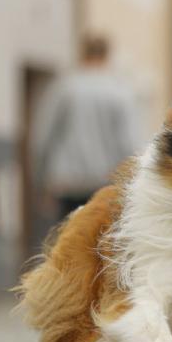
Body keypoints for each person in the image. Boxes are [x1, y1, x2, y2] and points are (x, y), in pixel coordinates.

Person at [32, 35, 139, 221]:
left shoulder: (63, 88)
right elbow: (129, 143)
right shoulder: (120, 92)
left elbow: (42, 137)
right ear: (107, 55)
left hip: (67, 184)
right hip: (107, 184)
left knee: (66, 239)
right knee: (98, 243)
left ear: (82, 53)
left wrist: (41, 181)